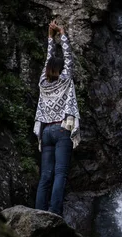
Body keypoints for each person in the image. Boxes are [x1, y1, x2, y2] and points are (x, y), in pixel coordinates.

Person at [34, 20, 81, 216]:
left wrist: (49, 37)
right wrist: (62, 34)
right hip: (62, 130)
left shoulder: (43, 82)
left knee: (45, 175)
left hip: (46, 132)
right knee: (60, 173)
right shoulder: (65, 79)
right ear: (61, 70)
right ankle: (53, 212)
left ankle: (38, 212)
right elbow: (68, 57)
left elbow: (48, 60)